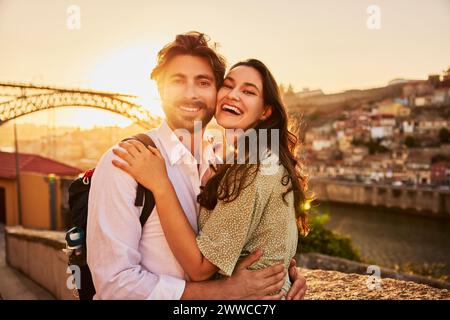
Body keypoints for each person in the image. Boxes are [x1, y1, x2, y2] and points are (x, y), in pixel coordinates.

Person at [87, 31, 307, 300]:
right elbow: (115, 287)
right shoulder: (125, 163)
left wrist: (284, 277)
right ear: (159, 90)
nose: (190, 94)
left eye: (203, 83)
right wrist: (224, 292)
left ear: (216, 91)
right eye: (178, 82)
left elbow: (257, 237)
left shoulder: (226, 164)